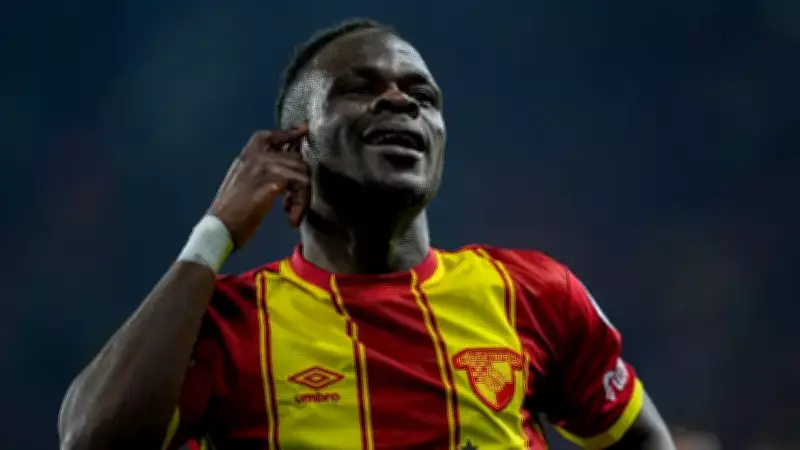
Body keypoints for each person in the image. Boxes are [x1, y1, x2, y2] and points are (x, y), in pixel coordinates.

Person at [58, 18, 674, 450]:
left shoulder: (533, 293)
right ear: (292, 149)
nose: (401, 102)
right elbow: (90, 440)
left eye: (422, 95)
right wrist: (215, 232)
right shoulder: (229, 324)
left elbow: (642, 439)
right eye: (359, 88)